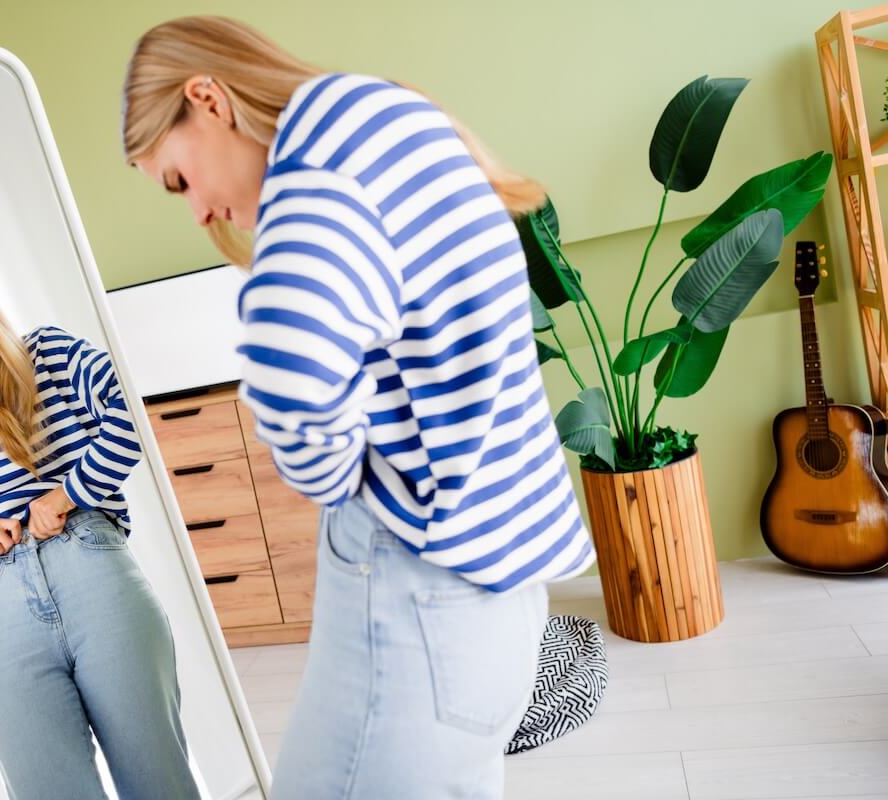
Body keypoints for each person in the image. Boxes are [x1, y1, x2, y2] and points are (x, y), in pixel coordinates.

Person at [122, 16, 595, 800]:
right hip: (502, 591)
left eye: (178, 178)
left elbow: (291, 378)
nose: (198, 210)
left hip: (420, 584)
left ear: (206, 98)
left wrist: (339, 479)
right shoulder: (385, 111)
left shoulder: (313, 181)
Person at [0, 257, 198, 800]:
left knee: (158, 782)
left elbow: (132, 412)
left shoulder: (49, 354)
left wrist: (68, 493)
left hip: (91, 564)